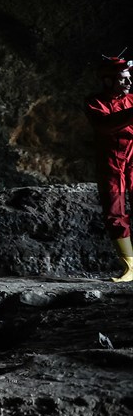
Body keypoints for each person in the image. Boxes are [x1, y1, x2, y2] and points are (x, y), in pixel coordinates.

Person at [85, 55, 133, 283]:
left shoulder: (132, 99)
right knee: (115, 212)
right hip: (111, 162)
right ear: (107, 81)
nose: (129, 82)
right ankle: (130, 266)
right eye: (123, 79)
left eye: (129, 78)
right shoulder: (94, 102)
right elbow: (105, 125)